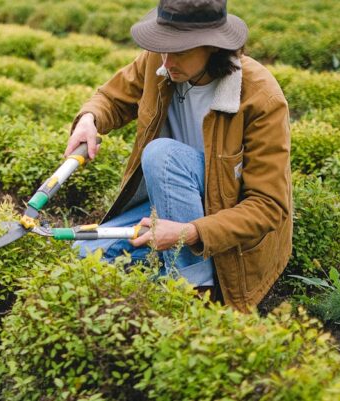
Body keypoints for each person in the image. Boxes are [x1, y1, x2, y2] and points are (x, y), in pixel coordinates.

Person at [64, 0, 292, 312]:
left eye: (180, 50)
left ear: (212, 47)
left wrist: (189, 232)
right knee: (83, 255)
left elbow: (268, 206)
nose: (166, 61)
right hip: (168, 198)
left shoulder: (261, 97)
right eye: (162, 47)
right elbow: (111, 98)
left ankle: (195, 290)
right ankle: (172, 268)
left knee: (162, 154)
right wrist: (90, 119)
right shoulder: (159, 62)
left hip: (223, 220)